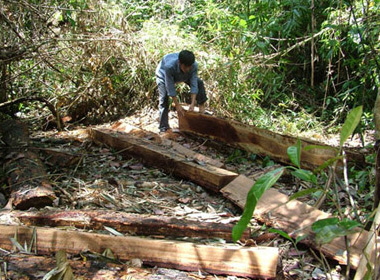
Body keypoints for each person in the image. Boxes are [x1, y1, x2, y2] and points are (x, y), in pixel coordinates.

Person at [155, 50, 207, 133]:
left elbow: (194, 83)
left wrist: (193, 104)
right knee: (164, 99)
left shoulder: (193, 66)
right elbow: (170, 87)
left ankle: (202, 108)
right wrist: (177, 105)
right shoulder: (169, 67)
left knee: (199, 83)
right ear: (180, 62)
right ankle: (163, 127)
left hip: (183, 76)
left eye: (189, 67)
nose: (188, 69)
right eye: (186, 67)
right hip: (163, 76)